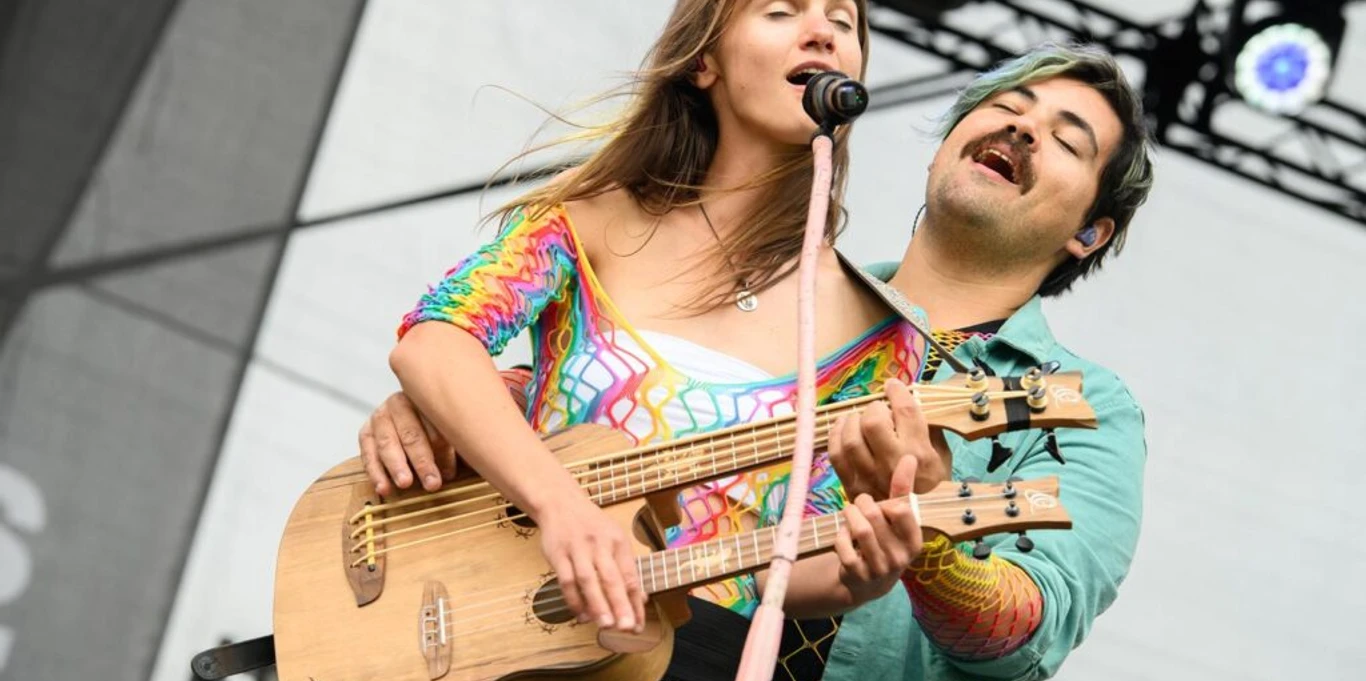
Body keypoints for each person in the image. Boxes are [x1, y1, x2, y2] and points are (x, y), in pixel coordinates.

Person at [367, 26, 1152, 681]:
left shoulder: (1087, 406)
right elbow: (572, 412)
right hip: (556, 644)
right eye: (1006, 108)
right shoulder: (783, 291)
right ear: (940, 147)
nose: (1022, 130)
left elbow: (1029, 635)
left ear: (1091, 231)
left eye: (1065, 142)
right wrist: (446, 411)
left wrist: (929, 553)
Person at [377, 1, 942, 679]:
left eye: (843, 21)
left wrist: (867, 573)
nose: (821, 30)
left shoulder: (878, 330)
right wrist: (562, 507)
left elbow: (787, 567)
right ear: (704, 62)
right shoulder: (586, 217)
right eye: (782, 11)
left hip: (694, 654)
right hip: (513, 625)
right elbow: (436, 339)